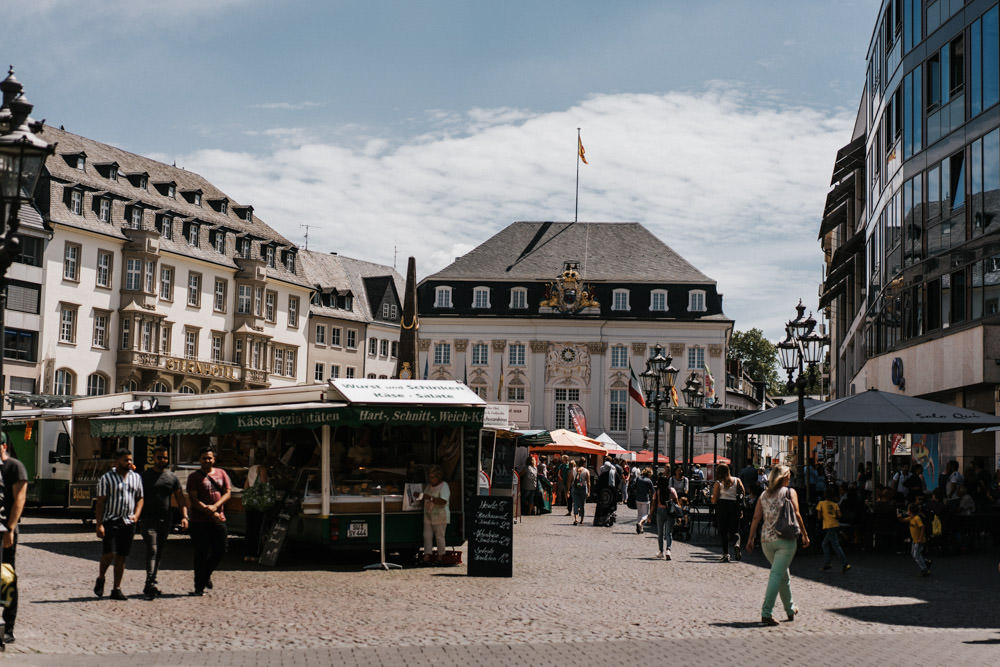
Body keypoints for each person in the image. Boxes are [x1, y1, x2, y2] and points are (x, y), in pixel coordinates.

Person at [746, 465, 810, 626]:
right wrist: (805, 534)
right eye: (789, 477)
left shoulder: (764, 495)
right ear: (785, 478)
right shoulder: (790, 492)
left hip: (766, 540)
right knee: (777, 574)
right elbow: (796, 513)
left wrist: (750, 538)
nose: (790, 479)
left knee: (782, 574)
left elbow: (755, 517)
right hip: (785, 539)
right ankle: (766, 612)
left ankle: (790, 609)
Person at [94, 448, 144, 601]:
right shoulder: (106, 478)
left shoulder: (136, 478)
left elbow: (140, 497)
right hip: (111, 520)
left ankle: (116, 588)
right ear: (116, 462)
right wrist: (99, 524)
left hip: (128, 522)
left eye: (130, 460)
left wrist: (136, 514)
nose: (129, 462)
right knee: (108, 554)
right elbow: (100, 502)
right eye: (125, 460)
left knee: (122, 556)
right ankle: (101, 577)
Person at [139, 446, 189, 598]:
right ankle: (150, 582)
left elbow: (180, 498)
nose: (163, 460)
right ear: (153, 458)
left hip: (165, 520)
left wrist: (184, 516)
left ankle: (151, 582)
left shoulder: (171, 478)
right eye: (160, 457)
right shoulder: (144, 476)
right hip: (147, 519)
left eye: (165, 458)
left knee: (158, 552)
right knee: (152, 549)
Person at [186, 447, 232, 596]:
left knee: (221, 549)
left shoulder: (221, 473)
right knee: (201, 553)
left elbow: (227, 492)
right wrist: (209, 511)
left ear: (214, 459)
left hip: (219, 519)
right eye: (204, 458)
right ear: (199, 460)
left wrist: (216, 507)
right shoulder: (194, 477)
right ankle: (199, 587)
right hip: (199, 521)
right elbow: (193, 499)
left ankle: (206, 574)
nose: (207, 460)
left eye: (210, 458)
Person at [0, 434, 27, 642]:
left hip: (4, 532)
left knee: (6, 577)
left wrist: (10, 528)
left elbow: (19, 499)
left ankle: (8, 626)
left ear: (4, 446)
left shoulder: (14, 467)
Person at [711, 463, 746, 562]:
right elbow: (743, 493)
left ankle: (726, 554)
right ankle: (737, 544)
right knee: (735, 530)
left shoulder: (718, 483)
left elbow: (715, 499)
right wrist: (741, 509)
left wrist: (712, 499)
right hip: (734, 506)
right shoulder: (737, 480)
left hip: (722, 507)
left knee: (723, 531)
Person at [816, 487, 850, 573]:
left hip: (828, 525)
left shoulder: (821, 503)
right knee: (825, 543)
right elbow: (839, 515)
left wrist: (825, 515)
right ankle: (828, 563)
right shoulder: (835, 504)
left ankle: (845, 563)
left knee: (835, 545)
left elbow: (819, 517)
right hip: (835, 525)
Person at [243, 450, 269, 562]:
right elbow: (264, 484)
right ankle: (255, 554)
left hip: (250, 502)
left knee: (249, 529)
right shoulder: (262, 469)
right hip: (258, 501)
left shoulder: (251, 469)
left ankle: (247, 554)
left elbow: (246, 486)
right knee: (257, 529)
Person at [421, 465, 450, 564]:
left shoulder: (444, 486)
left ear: (438, 477)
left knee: (439, 536)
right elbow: (425, 496)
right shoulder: (429, 486)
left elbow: (443, 501)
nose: (430, 479)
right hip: (428, 515)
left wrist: (430, 498)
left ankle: (441, 556)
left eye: (433, 477)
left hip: (440, 515)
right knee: (427, 536)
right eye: (430, 477)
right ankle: (427, 556)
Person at [651, 474, 679, 560]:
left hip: (660, 511)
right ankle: (668, 550)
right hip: (669, 512)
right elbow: (676, 502)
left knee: (660, 533)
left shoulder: (657, 491)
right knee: (668, 532)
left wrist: (650, 515)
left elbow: (653, 504)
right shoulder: (672, 490)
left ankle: (660, 551)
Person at [901, 502, 931, 576]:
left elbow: (922, 527)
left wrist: (920, 538)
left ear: (910, 511)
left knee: (916, 555)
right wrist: (900, 517)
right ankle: (926, 561)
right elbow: (903, 520)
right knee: (914, 553)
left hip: (918, 540)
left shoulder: (917, 518)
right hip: (915, 540)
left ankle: (924, 569)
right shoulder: (911, 518)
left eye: (908, 510)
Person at [632, 467, 654, 533]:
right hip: (645, 499)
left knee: (639, 514)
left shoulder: (638, 478)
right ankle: (640, 523)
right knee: (645, 515)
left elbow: (634, 486)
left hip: (638, 498)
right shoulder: (649, 481)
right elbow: (653, 491)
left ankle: (640, 529)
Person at [570, 458, 590, 526]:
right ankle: (581, 520)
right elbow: (588, 482)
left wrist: (567, 490)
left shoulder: (573, 470)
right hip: (583, 488)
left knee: (575, 503)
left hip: (575, 488)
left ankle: (576, 519)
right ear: (584, 463)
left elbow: (569, 480)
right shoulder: (586, 471)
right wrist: (589, 491)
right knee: (582, 505)